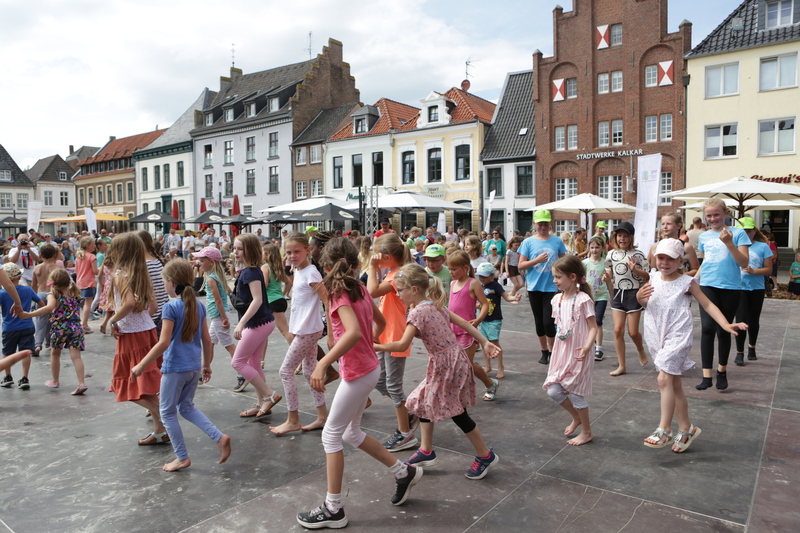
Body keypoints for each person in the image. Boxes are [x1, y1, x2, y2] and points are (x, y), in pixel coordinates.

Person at [297, 239, 421, 529]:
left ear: (326, 266)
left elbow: (352, 332)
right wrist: (368, 343)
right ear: (354, 264)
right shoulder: (360, 288)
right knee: (350, 433)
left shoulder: (339, 293)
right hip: (368, 368)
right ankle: (403, 472)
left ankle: (333, 508)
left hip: (358, 373)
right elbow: (380, 324)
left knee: (331, 436)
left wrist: (324, 363)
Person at [375, 263, 501, 479]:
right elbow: (463, 323)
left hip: (446, 365)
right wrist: (484, 341)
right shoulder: (433, 304)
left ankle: (485, 455)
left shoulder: (418, 312)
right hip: (453, 360)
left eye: (400, 289)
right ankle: (426, 450)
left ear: (414, 289)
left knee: (457, 412)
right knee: (424, 401)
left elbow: (402, 345)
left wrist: (375, 346)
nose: (398, 293)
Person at [638, 238, 747, 452]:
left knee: (663, 379)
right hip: (656, 335)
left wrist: (725, 324)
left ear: (681, 261)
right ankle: (686, 428)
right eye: (661, 257)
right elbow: (646, 303)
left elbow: (707, 304)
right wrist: (639, 297)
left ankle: (664, 429)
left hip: (677, 335)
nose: (665, 262)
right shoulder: (652, 277)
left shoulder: (687, 283)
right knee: (674, 384)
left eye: (671, 259)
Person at [131, 259, 231, 472]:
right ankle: (219, 437)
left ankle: (182, 457)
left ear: (171, 282)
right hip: (193, 367)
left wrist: (141, 365)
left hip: (175, 368)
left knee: (167, 413)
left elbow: (163, 342)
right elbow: (206, 339)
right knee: (186, 407)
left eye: (163, 281)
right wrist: (206, 364)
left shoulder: (170, 307)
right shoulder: (198, 305)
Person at [107, 233, 166, 445]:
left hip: (131, 336)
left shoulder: (120, 275)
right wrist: (140, 320)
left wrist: (113, 320)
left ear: (119, 252)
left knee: (127, 384)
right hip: (147, 332)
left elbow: (129, 303)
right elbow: (153, 307)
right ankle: (160, 430)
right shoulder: (141, 273)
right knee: (146, 385)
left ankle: (163, 414)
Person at [270, 233, 328, 435]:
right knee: (309, 373)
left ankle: (293, 419)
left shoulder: (311, 273)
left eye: (296, 251)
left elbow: (327, 300)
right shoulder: (299, 270)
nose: (292, 255)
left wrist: (331, 332)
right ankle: (322, 416)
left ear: (307, 250)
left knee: (285, 372)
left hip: (308, 330)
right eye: (288, 252)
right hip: (305, 329)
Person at [367, 233, 417, 451]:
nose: (374, 257)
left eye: (377, 255)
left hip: (395, 336)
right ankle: (408, 412)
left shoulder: (398, 276)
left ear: (386, 257)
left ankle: (405, 433)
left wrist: (372, 267)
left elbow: (371, 292)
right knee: (379, 381)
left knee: (394, 385)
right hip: (385, 335)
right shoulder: (392, 273)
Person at [695, 198, 750, 391]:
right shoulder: (703, 237)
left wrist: (729, 243)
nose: (712, 219)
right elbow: (706, 262)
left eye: (716, 214)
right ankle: (706, 376)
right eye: (708, 215)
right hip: (707, 285)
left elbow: (743, 263)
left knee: (724, 329)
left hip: (730, 288)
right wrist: (693, 280)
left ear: (725, 213)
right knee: (707, 328)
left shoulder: (738, 233)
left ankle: (722, 371)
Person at [544, 256, 598, 446]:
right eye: (554, 277)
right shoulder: (556, 299)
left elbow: (593, 327)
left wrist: (587, 347)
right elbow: (561, 327)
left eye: (558, 277)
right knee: (553, 391)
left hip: (578, 352)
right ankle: (577, 417)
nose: (555, 281)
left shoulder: (583, 300)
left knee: (575, 393)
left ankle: (587, 432)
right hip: (562, 352)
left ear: (573, 277)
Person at [232, 233, 281, 419]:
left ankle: (269, 395)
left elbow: (257, 300)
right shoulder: (251, 270)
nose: (235, 252)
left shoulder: (250, 272)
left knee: (237, 362)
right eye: (234, 248)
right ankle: (262, 403)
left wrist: (241, 323)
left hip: (258, 323)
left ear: (250, 250)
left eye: (240, 249)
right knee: (254, 363)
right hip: (263, 322)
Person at [21, 268, 88, 395]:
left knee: (55, 354)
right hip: (76, 328)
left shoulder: (54, 295)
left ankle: (55, 380)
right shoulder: (75, 293)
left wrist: (30, 314)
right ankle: (81, 382)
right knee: (76, 357)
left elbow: (49, 307)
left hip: (60, 328)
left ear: (53, 282)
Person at [518, 210, 567, 365]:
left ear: (550, 224)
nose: (543, 227)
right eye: (540, 224)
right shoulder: (528, 242)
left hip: (552, 287)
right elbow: (520, 265)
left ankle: (552, 351)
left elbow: (564, 262)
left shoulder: (557, 241)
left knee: (548, 321)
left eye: (545, 223)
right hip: (534, 287)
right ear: (534, 224)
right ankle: (544, 351)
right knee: (539, 321)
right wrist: (536, 260)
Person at [447, 250, 497, 399]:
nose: (451, 272)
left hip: (467, 331)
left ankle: (486, 385)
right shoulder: (452, 283)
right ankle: (489, 384)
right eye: (449, 269)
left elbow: (485, 304)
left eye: (454, 269)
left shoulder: (473, 283)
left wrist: (478, 320)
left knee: (465, 364)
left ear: (465, 268)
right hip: (453, 330)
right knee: (460, 364)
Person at [602, 221, 650, 376]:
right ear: (615, 237)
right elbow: (609, 270)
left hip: (634, 294)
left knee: (633, 332)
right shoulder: (611, 254)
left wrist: (635, 269)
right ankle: (622, 365)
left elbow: (648, 275)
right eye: (619, 236)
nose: (622, 239)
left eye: (625, 236)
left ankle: (640, 349)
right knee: (617, 330)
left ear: (631, 237)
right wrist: (607, 276)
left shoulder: (638, 254)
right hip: (618, 293)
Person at [194, 246, 243, 391]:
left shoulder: (211, 279)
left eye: (202, 261)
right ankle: (201, 373)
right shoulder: (218, 276)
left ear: (211, 262)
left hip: (218, 317)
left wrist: (223, 318)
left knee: (229, 345)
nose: (199, 264)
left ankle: (243, 373)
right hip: (219, 316)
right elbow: (228, 291)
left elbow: (218, 300)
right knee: (210, 343)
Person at [734, 218, 773, 365]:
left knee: (753, 320)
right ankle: (739, 352)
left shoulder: (763, 247)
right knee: (741, 320)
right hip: (739, 288)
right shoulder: (733, 247)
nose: (745, 234)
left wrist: (753, 271)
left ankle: (752, 347)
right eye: (742, 231)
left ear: (754, 231)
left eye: (748, 231)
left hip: (756, 288)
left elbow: (768, 269)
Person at [476, 262, 520, 382]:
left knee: (494, 342)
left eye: (484, 276)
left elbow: (506, 296)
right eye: (480, 276)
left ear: (492, 276)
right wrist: (476, 305)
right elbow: (478, 303)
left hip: (494, 320)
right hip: (483, 320)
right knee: (484, 343)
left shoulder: (495, 286)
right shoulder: (479, 287)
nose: (482, 278)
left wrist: (514, 297)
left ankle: (500, 367)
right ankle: (488, 366)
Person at [0, 263, 41, 391]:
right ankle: (24, 378)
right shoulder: (28, 290)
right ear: (19, 277)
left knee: (7, 353)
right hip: (27, 325)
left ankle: (8, 376)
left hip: (9, 328)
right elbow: (41, 303)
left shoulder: (2, 293)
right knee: (25, 352)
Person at [135, 230, 169, 337]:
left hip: (152, 318)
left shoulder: (144, 265)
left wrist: (139, 323)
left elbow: (153, 305)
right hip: (162, 314)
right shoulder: (156, 261)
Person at [583, 237, 612, 361]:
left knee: (598, 321)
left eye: (597, 247)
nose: (594, 250)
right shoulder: (584, 263)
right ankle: (588, 343)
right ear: (589, 248)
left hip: (601, 297)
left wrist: (611, 295)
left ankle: (599, 348)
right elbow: (580, 278)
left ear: (602, 249)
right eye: (592, 247)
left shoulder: (606, 263)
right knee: (587, 321)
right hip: (588, 296)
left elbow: (609, 278)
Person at [647, 213, 699, 277]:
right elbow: (650, 268)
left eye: (669, 224)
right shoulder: (655, 246)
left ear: (678, 226)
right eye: (663, 224)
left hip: (679, 281)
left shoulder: (686, 247)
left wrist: (678, 276)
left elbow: (696, 269)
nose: (665, 227)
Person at [32, 244, 61, 355]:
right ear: (54, 255)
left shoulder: (37, 268)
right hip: (52, 294)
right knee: (53, 319)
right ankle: (50, 342)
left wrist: (34, 298)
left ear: (41, 255)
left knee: (41, 321)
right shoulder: (57, 268)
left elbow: (34, 285)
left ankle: (38, 344)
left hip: (40, 294)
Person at [74, 236, 98, 334]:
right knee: (88, 304)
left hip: (80, 282)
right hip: (89, 282)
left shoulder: (79, 256)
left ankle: (82, 324)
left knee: (83, 304)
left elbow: (77, 270)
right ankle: (84, 325)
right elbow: (95, 271)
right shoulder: (91, 256)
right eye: (93, 244)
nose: (95, 246)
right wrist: (103, 269)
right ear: (88, 245)